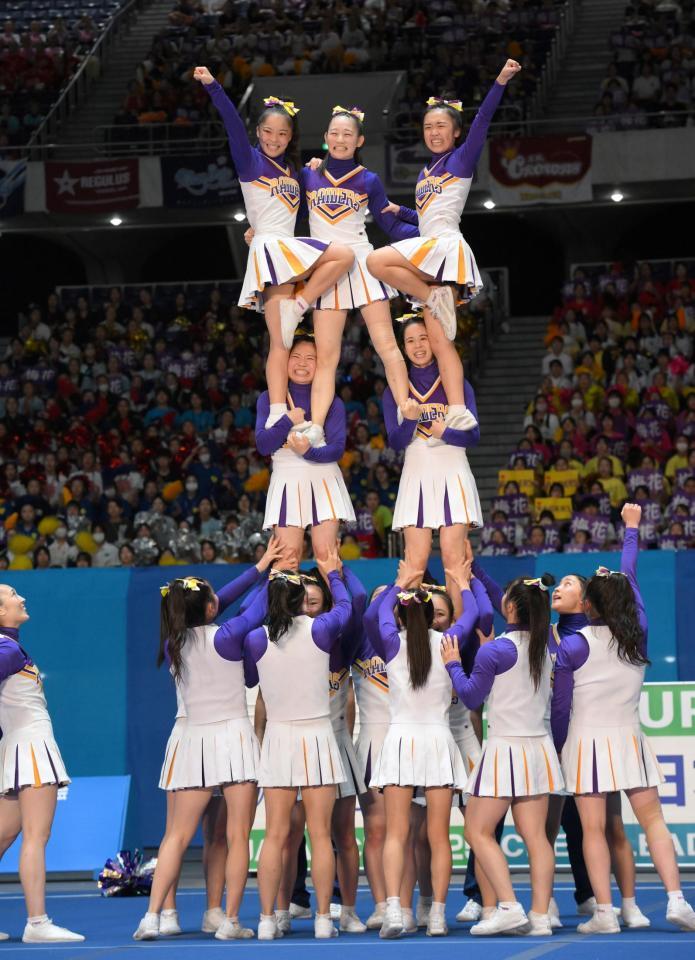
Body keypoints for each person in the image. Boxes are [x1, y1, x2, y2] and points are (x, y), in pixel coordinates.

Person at [552, 503, 695, 934]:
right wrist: (631, 529)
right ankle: (676, 899)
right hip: (630, 739)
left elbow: (560, 707)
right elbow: (629, 577)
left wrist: (557, 746)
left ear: (589, 604)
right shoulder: (638, 633)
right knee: (653, 822)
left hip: (586, 742)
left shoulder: (574, 645)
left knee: (593, 830)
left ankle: (604, 913)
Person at [194, 66, 354, 440]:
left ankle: (302, 304)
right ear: (258, 132)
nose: (274, 139)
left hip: (289, 248)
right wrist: (213, 85)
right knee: (280, 342)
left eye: (282, 133)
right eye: (268, 132)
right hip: (270, 251)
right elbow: (232, 122)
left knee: (344, 255)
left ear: (291, 137)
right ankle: (277, 410)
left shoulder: (294, 170)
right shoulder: (249, 160)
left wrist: (316, 165)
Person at [367, 59, 521, 425]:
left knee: (376, 262)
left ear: (454, 132)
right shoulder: (425, 171)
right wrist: (399, 211)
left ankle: (459, 409)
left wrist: (499, 81)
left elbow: (482, 123)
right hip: (429, 247)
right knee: (439, 342)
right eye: (428, 126)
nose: (434, 132)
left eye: (441, 126)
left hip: (445, 247)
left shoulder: (460, 159)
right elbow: (425, 217)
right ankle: (458, 409)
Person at [133, 565, 274, 941]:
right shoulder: (229, 636)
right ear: (210, 608)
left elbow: (214, 605)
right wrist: (275, 573)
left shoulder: (173, 642)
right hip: (232, 741)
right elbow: (255, 610)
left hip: (193, 741)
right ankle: (229, 920)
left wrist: (260, 568)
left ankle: (152, 916)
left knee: (175, 837)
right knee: (237, 836)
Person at [441, 574, 563, 937]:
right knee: (537, 838)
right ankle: (540, 916)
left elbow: (470, 697)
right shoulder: (547, 646)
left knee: (477, 832)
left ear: (509, 608)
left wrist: (452, 663)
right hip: (538, 748)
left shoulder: (496, 651)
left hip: (506, 749)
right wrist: (469, 578)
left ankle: (508, 906)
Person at [243, 546, 352, 940]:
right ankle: (323, 919)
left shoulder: (255, 639)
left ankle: (267, 920)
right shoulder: (320, 629)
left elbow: (248, 624)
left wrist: (269, 575)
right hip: (317, 736)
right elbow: (346, 605)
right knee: (320, 835)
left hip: (279, 738)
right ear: (301, 601)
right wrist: (332, 570)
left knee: (275, 835)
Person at [369, 558, 474, 938]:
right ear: (434, 617)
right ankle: (438, 915)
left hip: (400, 740)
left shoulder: (390, 642)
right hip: (437, 740)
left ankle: (395, 911)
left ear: (401, 615)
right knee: (438, 836)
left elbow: (376, 611)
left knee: (396, 833)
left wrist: (401, 583)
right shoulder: (449, 641)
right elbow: (474, 611)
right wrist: (461, 582)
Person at [299, 105, 418, 438]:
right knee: (327, 357)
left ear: (359, 140)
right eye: (334, 133)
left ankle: (405, 406)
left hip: (363, 264)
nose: (340, 139)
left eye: (347, 134)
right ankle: (317, 427)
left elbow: (388, 223)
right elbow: (281, 208)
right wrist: (257, 228)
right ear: (325, 138)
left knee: (387, 346)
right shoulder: (307, 174)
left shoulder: (369, 179)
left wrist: (432, 230)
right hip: (328, 267)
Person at [0, 585, 83, 943]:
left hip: (17, 749)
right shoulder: (7, 648)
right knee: (36, 837)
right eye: (13, 594)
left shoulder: (10, 647)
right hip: (30, 749)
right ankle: (37, 923)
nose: (21, 598)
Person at [383, 314, 482, 599]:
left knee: (455, 561)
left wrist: (445, 432)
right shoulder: (395, 389)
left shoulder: (454, 380)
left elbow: (474, 436)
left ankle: (459, 634)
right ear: (402, 347)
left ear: (435, 341)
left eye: (423, 338)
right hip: (416, 477)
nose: (418, 346)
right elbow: (397, 441)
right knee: (415, 562)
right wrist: (411, 421)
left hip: (453, 472)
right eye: (410, 341)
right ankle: (413, 637)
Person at [255, 332, 354, 566]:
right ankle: (282, 604)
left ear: (321, 363)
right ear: (285, 360)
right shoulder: (269, 398)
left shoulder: (332, 400)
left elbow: (337, 449)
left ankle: (336, 604)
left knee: (326, 557)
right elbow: (263, 445)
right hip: (286, 481)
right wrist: (287, 421)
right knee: (287, 559)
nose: (302, 363)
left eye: (311, 358)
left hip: (324, 480)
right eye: (296, 356)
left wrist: (307, 452)